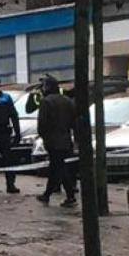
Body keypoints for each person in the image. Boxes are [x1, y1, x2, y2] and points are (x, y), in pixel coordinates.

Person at [35, 74, 77, 208]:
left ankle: (70, 196)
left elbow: (42, 123)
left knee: (59, 167)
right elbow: (73, 121)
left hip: (53, 140)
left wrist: (44, 137)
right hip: (65, 139)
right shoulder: (67, 101)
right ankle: (47, 194)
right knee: (55, 167)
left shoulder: (46, 101)